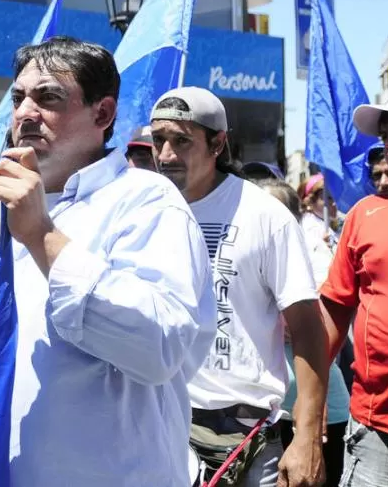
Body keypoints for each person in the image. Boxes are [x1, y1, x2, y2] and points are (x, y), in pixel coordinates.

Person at [0, 37, 216, 485]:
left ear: (102, 114)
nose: (26, 113)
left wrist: (43, 238)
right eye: (18, 97)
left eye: (48, 97)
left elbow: (159, 347)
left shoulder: (147, 201)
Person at [150, 86, 328, 487]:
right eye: (158, 140)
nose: (165, 156)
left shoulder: (265, 216)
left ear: (218, 143)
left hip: (248, 438)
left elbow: (308, 330)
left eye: (181, 141)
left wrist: (306, 437)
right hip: (163, 425)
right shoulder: (146, 212)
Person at [319, 92, 388, 486]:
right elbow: (334, 310)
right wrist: (312, 398)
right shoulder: (364, 215)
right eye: (385, 135)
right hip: (378, 431)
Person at [256, 179, 349, 487]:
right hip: (264, 412)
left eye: (273, 211)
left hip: (320, 411)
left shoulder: (316, 258)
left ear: (294, 218)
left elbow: (318, 322)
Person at [297, 174, 337, 283]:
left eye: (335, 195)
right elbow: (322, 275)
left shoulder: (323, 226)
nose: (334, 202)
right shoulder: (310, 229)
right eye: (327, 197)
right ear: (309, 201)